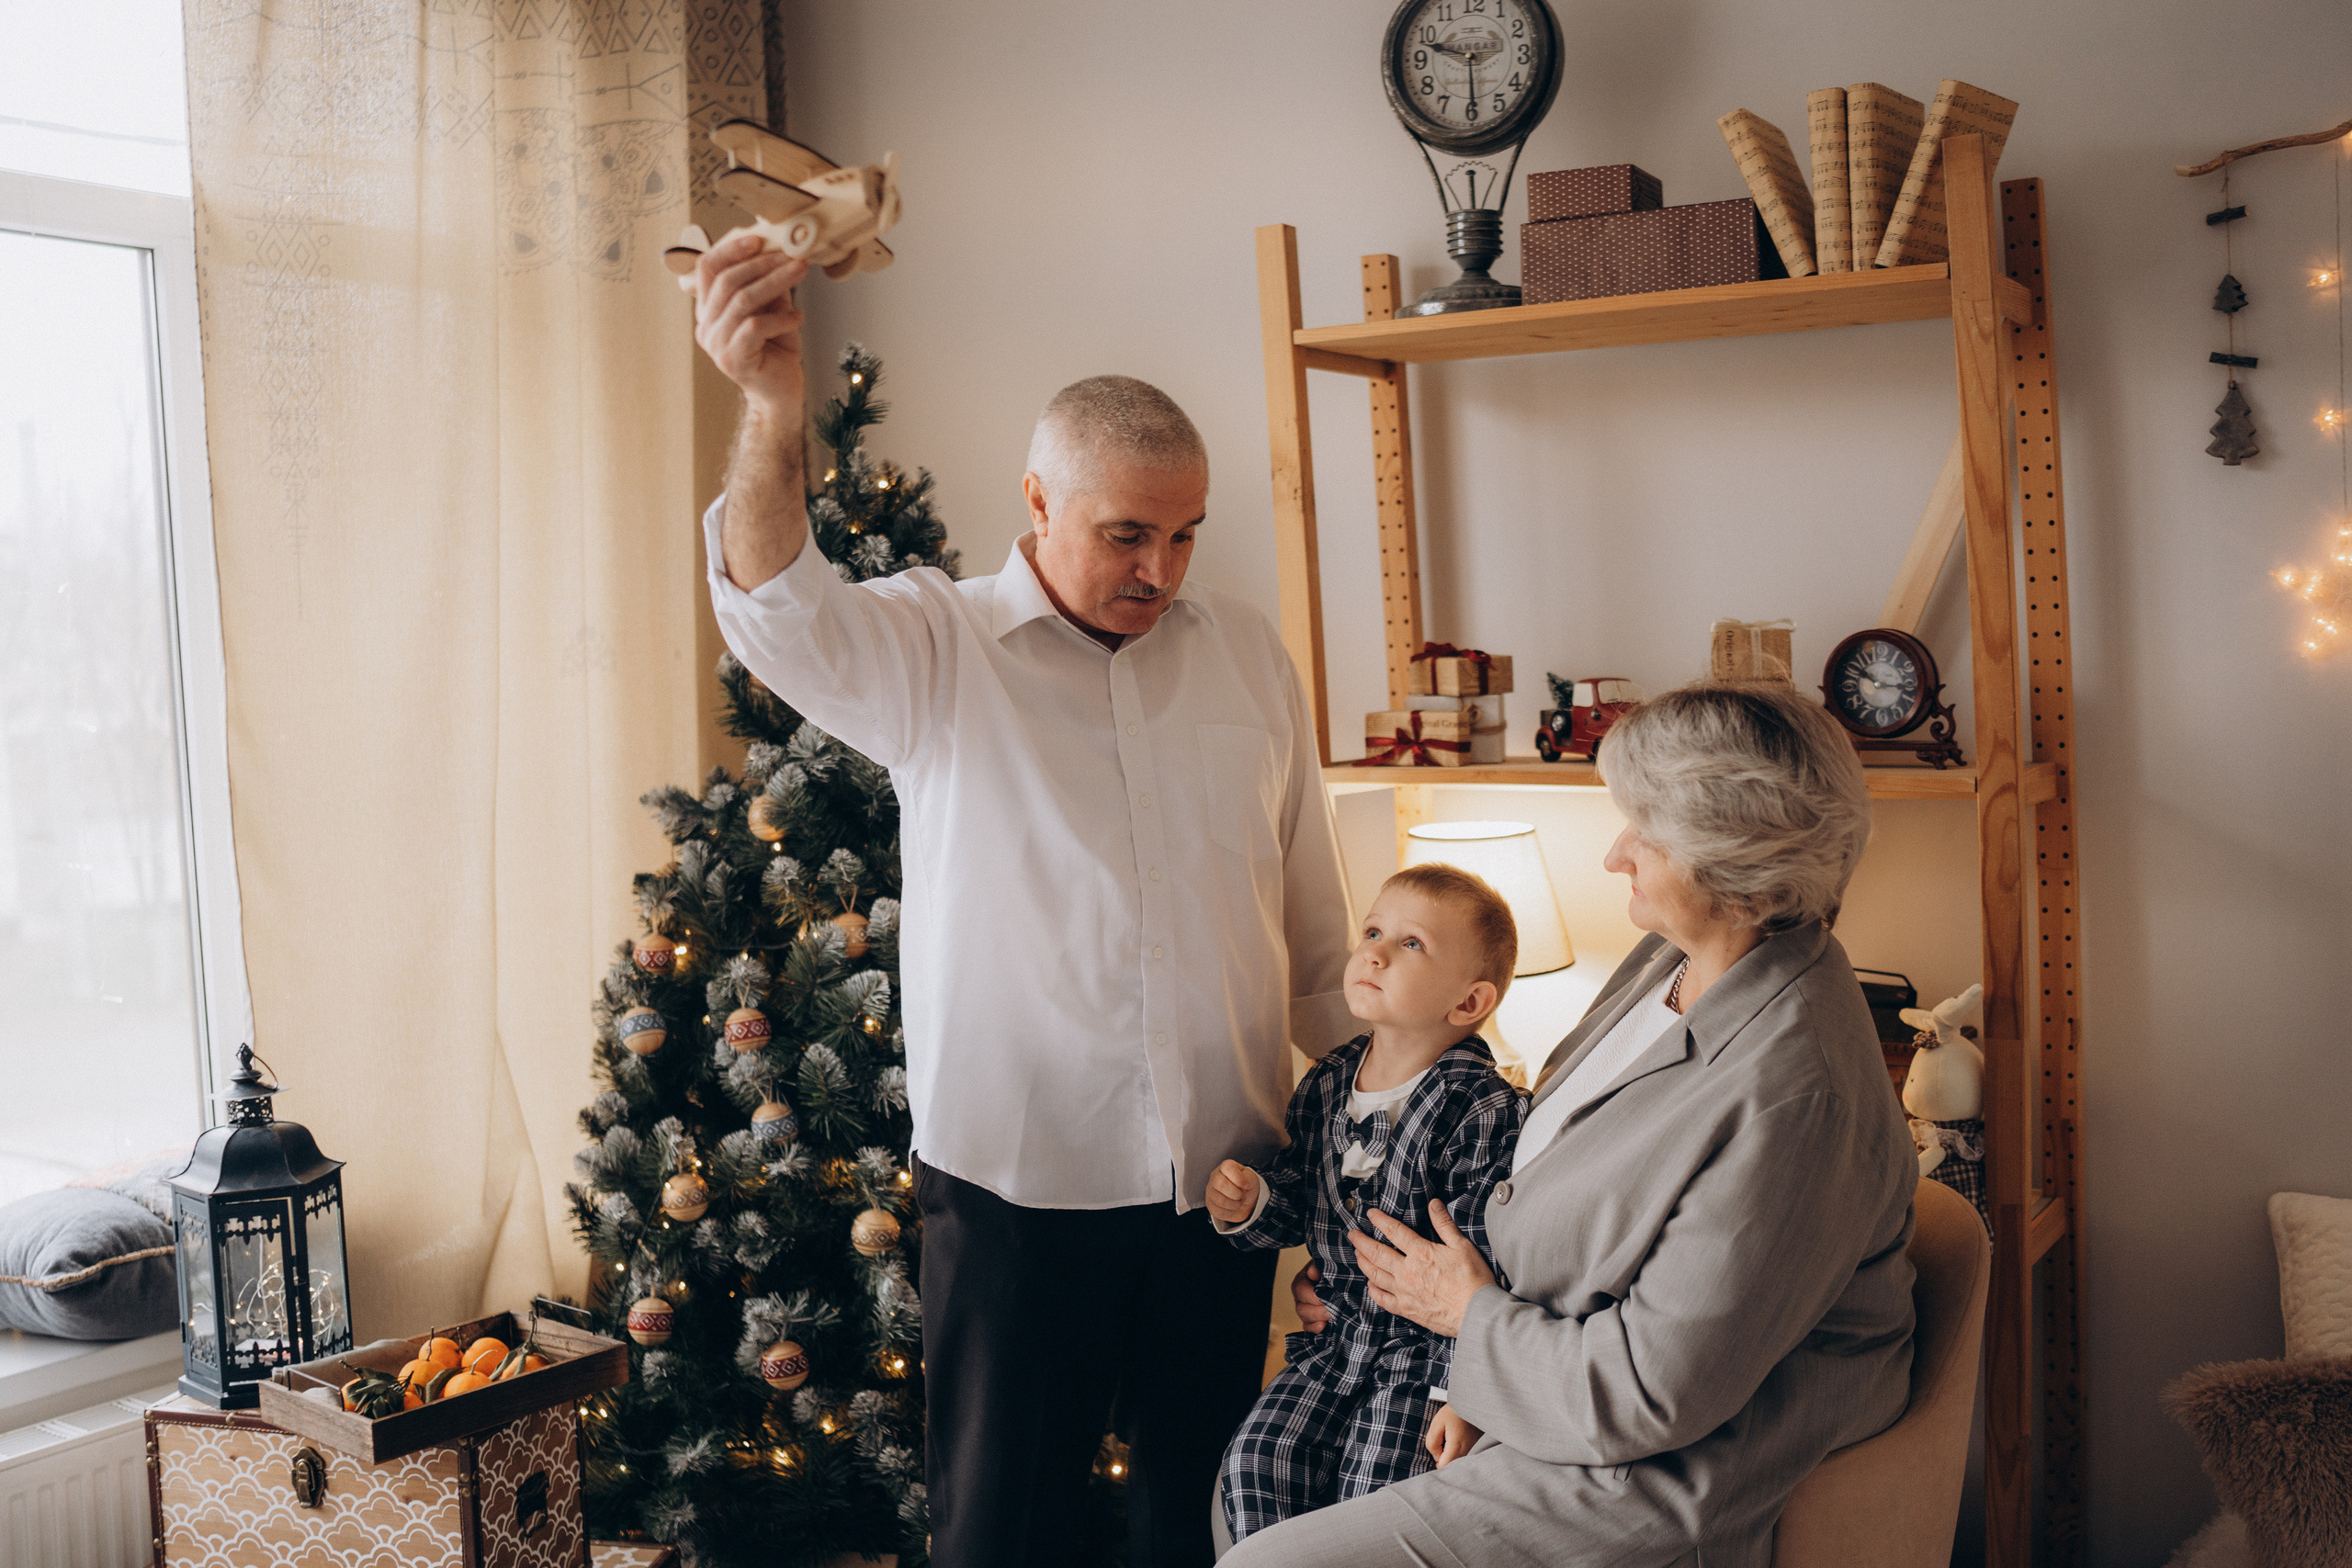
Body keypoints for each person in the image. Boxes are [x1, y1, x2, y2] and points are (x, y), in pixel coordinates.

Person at [684, 236, 1356, 1568]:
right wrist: (769, 407)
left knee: (1208, 1531)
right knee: (1006, 1537)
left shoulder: (1247, 653)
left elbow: (1317, 930)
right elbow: (774, 606)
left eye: (1184, 533)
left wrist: (1351, 1169)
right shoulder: (934, 647)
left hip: (1227, 1191)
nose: (1161, 568)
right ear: (1039, 501)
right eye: (1127, 534)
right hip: (1016, 1191)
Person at [1227, 681, 1919, 1568]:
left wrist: (1463, 1316)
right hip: (1524, 1377)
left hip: (1643, 1462)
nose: (1615, 854)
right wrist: (1392, 1293)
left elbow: (1647, 1396)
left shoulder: (1796, 1093)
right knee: (1249, 1501)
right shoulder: (1672, 957)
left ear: (1733, 860)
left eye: (1646, 831)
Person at [1207, 863, 1523, 1543]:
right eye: (1373, 932)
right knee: (1256, 1464)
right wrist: (1253, 1200)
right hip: (1333, 1342)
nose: (1375, 953)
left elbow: (1489, 1260)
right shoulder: (1327, 1081)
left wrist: (1463, 1395)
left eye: (1411, 944)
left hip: (1422, 1358)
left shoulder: (1481, 1106)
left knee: (1373, 1499)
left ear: (1469, 1002)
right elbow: (1298, 1198)